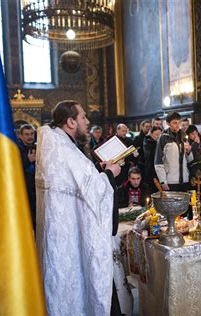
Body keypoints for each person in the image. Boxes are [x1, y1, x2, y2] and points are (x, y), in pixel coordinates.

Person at [35, 100, 122, 315]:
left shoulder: (56, 145)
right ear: (71, 121)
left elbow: (77, 182)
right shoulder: (64, 149)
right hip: (70, 239)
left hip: (62, 237)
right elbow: (93, 190)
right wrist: (110, 173)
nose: (87, 121)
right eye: (83, 117)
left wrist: (96, 169)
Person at [154, 111, 193, 191]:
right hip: (170, 180)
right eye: (174, 123)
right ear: (168, 123)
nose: (177, 125)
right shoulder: (163, 138)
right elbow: (158, 162)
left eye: (179, 122)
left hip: (184, 179)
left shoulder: (184, 136)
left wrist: (189, 151)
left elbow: (189, 160)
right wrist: (163, 181)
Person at [17, 124, 37, 231]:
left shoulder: (37, 146)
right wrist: (27, 160)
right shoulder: (16, 148)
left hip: (35, 190)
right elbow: (13, 167)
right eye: (26, 134)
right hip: (23, 190)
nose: (30, 137)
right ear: (21, 136)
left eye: (31, 134)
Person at [143, 126, 162, 192]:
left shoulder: (160, 142)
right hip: (150, 170)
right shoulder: (147, 141)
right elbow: (150, 155)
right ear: (151, 134)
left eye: (160, 134)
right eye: (156, 134)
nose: (158, 136)